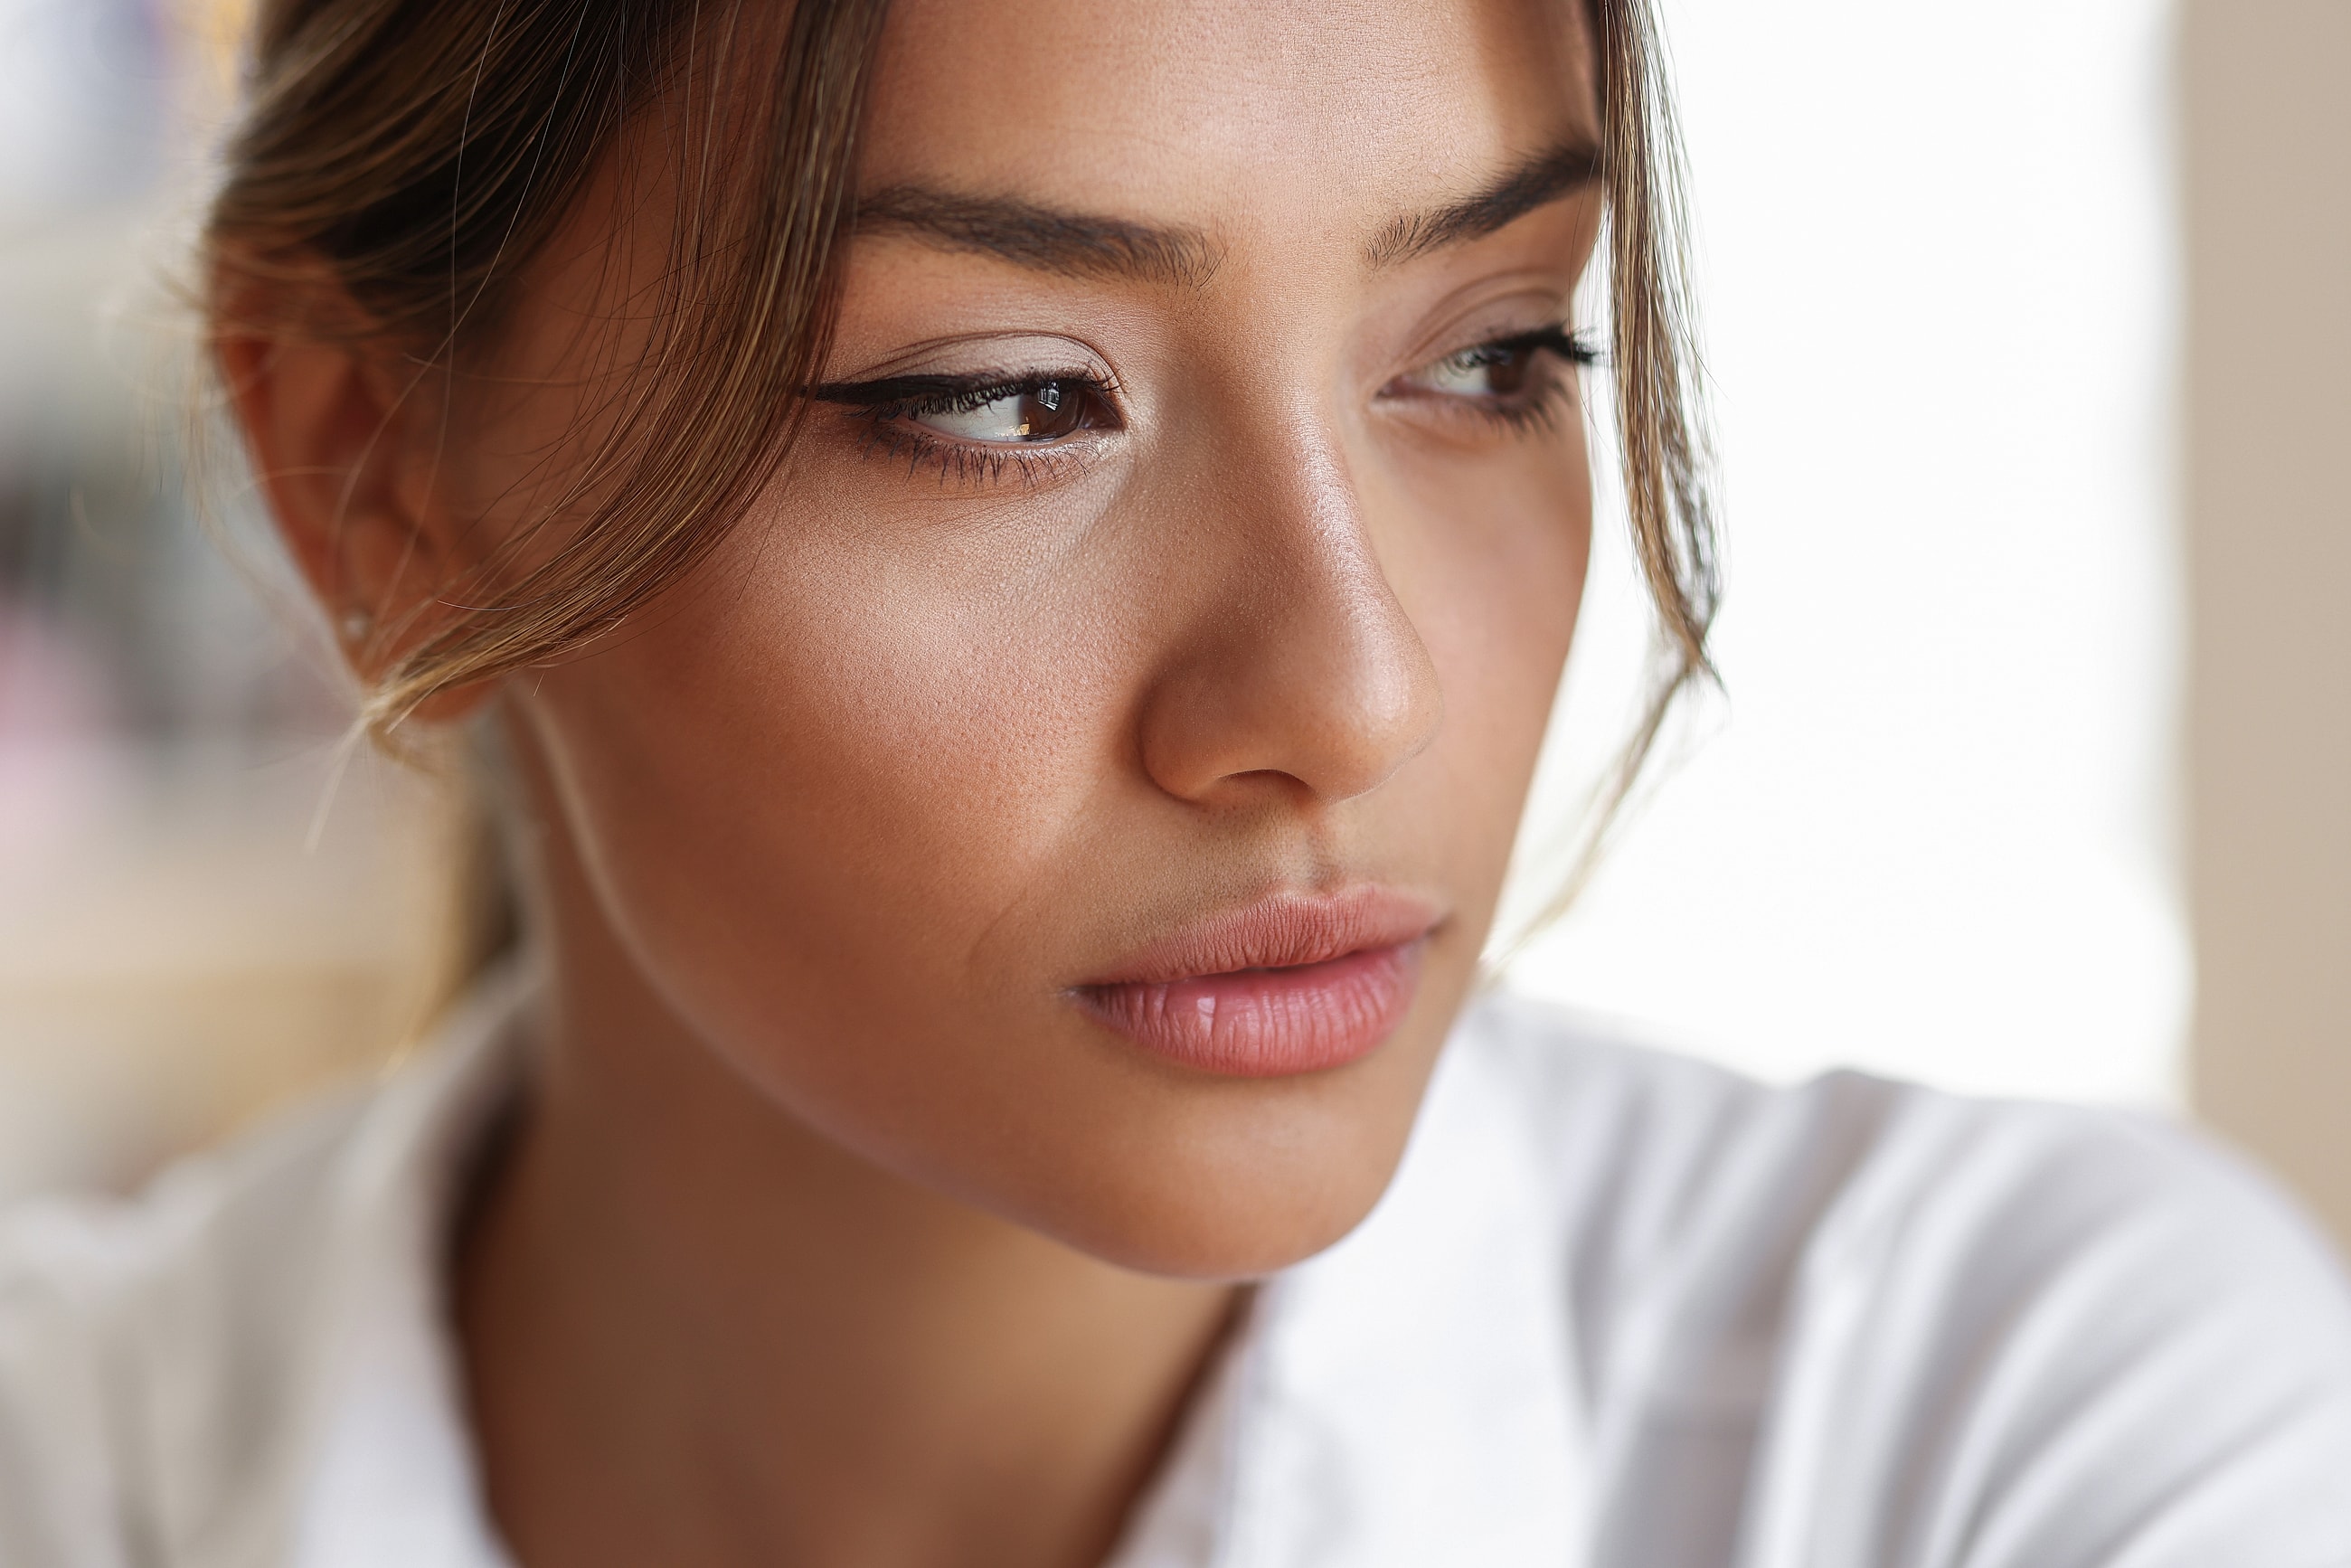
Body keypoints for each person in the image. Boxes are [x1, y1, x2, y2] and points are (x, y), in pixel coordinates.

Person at [5, 1, 2349, 1563]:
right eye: (1016, 398)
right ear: (371, 476)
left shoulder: (2016, 1437)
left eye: (1495, 354)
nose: (1352, 696)